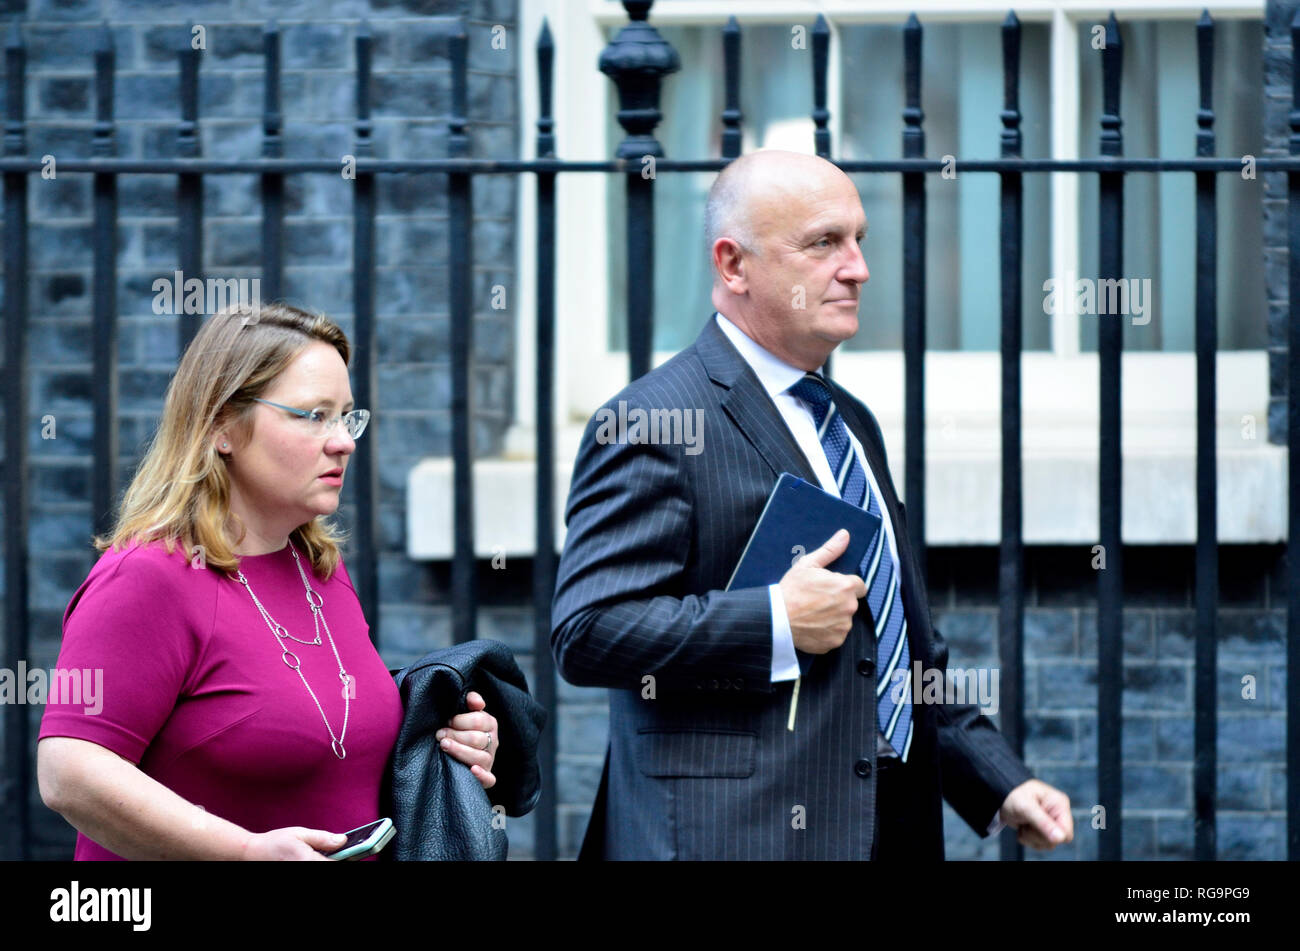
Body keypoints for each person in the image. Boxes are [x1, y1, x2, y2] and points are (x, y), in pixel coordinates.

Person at [551, 149, 1074, 860]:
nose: (857, 267)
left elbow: (894, 643)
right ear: (733, 265)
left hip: (885, 828)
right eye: (824, 243)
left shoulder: (851, 423)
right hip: (734, 838)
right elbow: (588, 630)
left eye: (859, 240)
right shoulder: (654, 421)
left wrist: (997, 780)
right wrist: (773, 619)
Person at [37, 302, 500, 860]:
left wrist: (447, 742)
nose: (344, 441)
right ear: (223, 427)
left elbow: (328, 746)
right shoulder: (145, 576)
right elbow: (68, 773)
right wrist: (243, 852)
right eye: (312, 415)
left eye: (347, 416)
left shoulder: (319, 569)